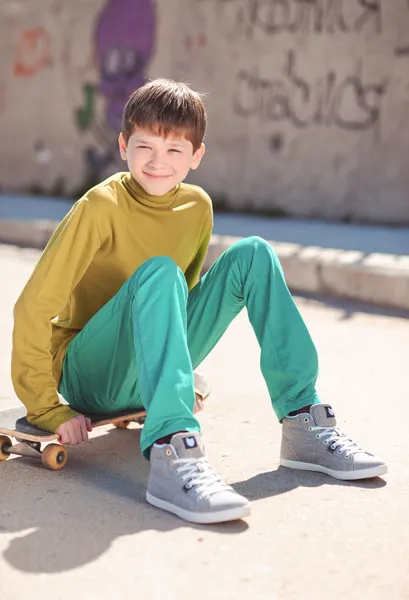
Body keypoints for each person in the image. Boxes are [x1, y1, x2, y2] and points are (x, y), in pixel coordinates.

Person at [12, 79, 387, 525]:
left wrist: (177, 372)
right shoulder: (101, 206)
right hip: (90, 374)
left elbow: (178, 304)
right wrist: (47, 406)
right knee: (160, 271)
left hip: (143, 370)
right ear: (122, 145)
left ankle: (302, 417)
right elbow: (33, 307)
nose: (157, 162)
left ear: (196, 156)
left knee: (254, 253)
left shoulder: (197, 208)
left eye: (174, 150)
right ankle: (173, 447)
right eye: (144, 146)